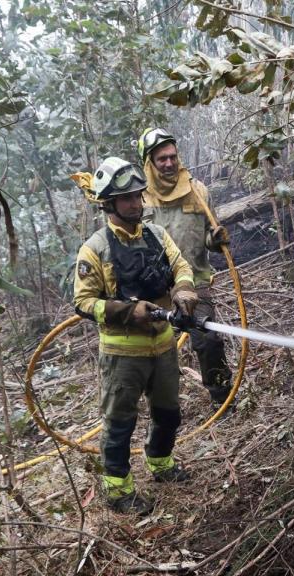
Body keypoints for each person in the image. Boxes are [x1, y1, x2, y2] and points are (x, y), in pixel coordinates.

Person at [72, 156, 201, 515]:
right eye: (126, 198)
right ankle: (118, 491)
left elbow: (181, 266)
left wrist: (185, 291)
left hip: (163, 348)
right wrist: (129, 312)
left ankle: (160, 464)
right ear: (109, 203)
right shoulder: (94, 249)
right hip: (122, 355)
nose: (135, 203)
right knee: (119, 423)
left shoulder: (157, 235)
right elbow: (83, 303)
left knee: (169, 413)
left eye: (138, 196)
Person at [137, 128, 232, 407]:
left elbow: (208, 236)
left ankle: (220, 396)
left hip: (194, 280)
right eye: (161, 159)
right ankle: (159, 404)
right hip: (154, 286)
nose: (168, 163)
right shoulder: (139, 199)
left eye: (172, 157)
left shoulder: (198, 191)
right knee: (151, 347)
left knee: (208, 340)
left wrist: (216, 240)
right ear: (149, 163)